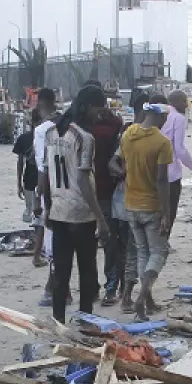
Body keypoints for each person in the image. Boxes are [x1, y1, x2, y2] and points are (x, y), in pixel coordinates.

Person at [44, 85, 110, 324]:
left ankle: (58, 321)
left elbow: (45, 174)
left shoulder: (51, 134)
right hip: (81, 214)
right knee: (87, 272)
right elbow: (83, 179)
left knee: (61, 273)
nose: (99, 115)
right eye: (98, 110)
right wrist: (100, 218)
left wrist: (47, 207)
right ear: (86, 107)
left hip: (59, 210)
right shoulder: (85, 137)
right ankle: (85, 321)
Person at [112, 102, 174, 320]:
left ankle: (146, 299)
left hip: (131, 204)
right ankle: (142, 296)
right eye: (164, 117)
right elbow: (161, 180)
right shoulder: (162, 143)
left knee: (141, 252)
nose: (166, 121)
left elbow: (117, 162)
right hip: (151, 205)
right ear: (156, 117)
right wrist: (166, 213)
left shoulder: (129, 134)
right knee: (159, 252)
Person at [82, 83, 127, 305]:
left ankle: (111, 285)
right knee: (88, 243)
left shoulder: (115, 123)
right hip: (83, 190)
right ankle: (93, 287)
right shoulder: (79, 125)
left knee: (110, 241)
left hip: (106, 188)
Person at [160, 90, 192, 230]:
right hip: (171, 173)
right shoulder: (178, 118)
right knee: (170, 210)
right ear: (177, 101)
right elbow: (179, 149)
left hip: (154, 171)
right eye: (184, 101)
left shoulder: (161, 114)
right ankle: (163, 243)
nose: (186, 105)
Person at [30, 88, 58, 276]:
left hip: (49, 188)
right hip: (67, 187)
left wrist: (39, 197)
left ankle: (55, 288)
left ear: (40, 103)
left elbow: (43, 167)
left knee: (51, 236)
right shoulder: (65, 124)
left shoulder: (41, 131)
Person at [12, 106, 43, 225]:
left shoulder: (23, 138)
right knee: (41, 213)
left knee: (31, 211)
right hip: (45, 181)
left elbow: (20, 163)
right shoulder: (47, 136)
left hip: (29, 180)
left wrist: (19, 183)